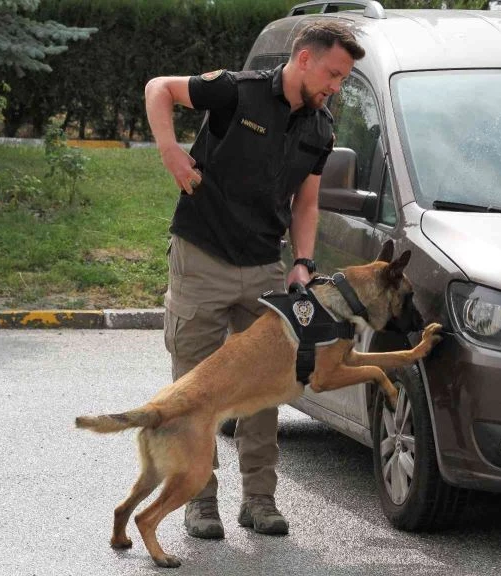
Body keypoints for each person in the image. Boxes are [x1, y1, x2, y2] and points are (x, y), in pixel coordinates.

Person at [144, 20, 365, 539]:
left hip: (265, 263)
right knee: (195, 386)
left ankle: (259, 500)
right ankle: (200, 501)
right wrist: (170, 151)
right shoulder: (236, 91)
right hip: (201, 255)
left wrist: (304, 261)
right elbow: (159, 88)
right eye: (333, 73)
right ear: (304, 59)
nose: (336, 85)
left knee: (266, 386)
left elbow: (306, 203)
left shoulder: (320, 128)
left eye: (344, 79)